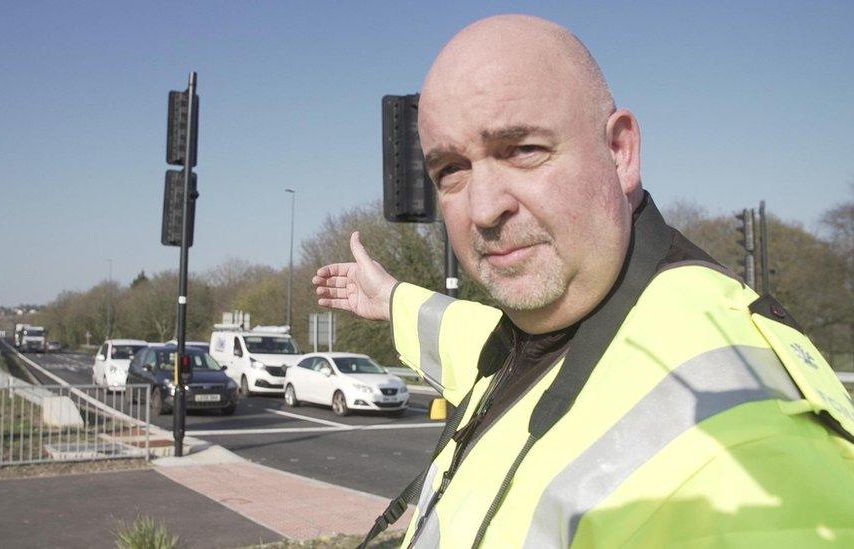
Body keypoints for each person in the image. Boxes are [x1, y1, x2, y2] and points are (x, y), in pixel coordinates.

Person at [312, 14, 854, 549]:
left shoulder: (745, 446)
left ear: (621, 153)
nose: (483, 208)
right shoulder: (536, 332)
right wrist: (390, 298)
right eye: (451, 170)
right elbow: (465, 334)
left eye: (522, 150)